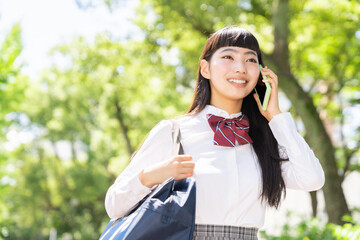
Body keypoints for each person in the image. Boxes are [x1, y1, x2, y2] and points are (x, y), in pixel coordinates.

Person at [105, 26, 325, 240]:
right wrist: (155, 174)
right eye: (228, 57)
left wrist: (276, 117)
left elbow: (312, 179)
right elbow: (115, 205)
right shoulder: (174, 132)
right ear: (205, 69)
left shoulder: (264, 139)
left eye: (251, 59)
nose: (240, 67)